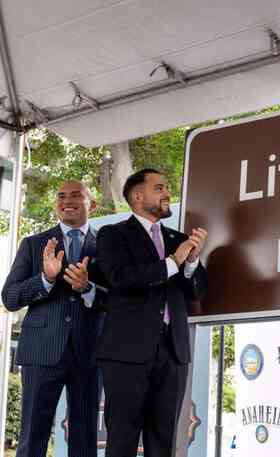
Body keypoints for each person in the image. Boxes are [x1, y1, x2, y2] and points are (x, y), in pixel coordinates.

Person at [95, 168, 208, 457]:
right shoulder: (113, 235)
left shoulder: (177, 239)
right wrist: (173, 261)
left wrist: (193, 262)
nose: (167, 193)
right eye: (159, 188)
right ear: (137, 195)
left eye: (167, 187)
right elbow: (120, 278)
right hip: (126, 352)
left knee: (164, 438)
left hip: (173, 351)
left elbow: (196, 292)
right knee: (122, 438)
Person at [1, 180, 106, 457]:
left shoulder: (107, 246)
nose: (67, 201)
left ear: (92, 204)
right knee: (33, 435)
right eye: (61, 196)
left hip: (89, 352)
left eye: (76, 195)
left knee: (84, 440)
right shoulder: (34, 244)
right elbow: (10, 297)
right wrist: (45, 279)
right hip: (41, 351)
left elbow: (119, 299)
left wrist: (88, 288)